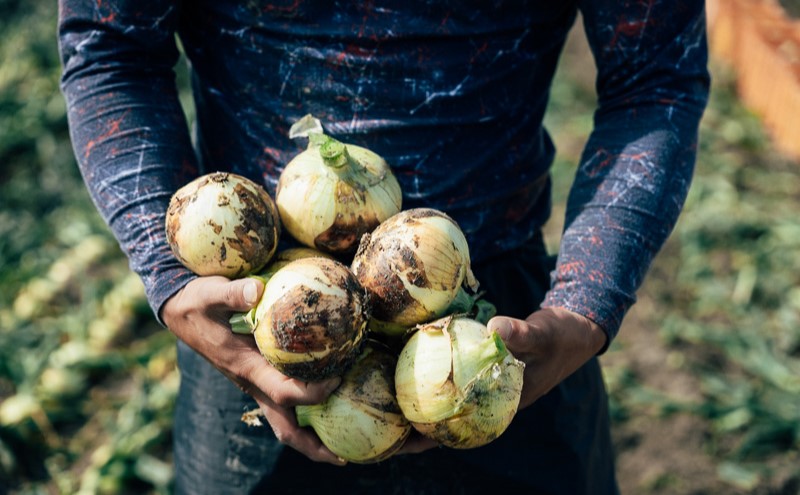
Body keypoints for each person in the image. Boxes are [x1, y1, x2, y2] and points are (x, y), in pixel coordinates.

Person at [58, 1, 710, 493]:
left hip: (505, 333)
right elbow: (109, 44)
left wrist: (586, 302)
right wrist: (165, 264)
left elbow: (655, 78)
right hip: (261, 327)